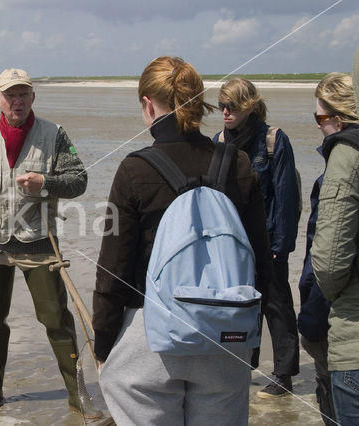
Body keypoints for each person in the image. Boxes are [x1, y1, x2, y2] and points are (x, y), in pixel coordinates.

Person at [93, 56, 272, 425]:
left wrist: (104, 344)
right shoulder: (238, 164)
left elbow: (113, 270)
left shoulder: (135, 168)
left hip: (153, 337)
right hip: (227, 333)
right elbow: (260, 265)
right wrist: (249, 342)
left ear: (147, 104)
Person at [0, 68, 100, 418]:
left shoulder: (54, 134)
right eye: (10, 95)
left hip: (38, 242)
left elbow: (79, 180)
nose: (17, 101)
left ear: (33, 98)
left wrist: (45, 183)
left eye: (23, 94)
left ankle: (78, 394)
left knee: (56, 320)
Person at [214, 78, 301, 398]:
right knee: (237, 306)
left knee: (277, 306)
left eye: (231, 106)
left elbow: (286, 196)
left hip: (268, 240)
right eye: (221, 105)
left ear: (249, 106)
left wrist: (281, 245)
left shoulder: (274, 140)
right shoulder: (218, 141)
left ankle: (284, 374)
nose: (224, 112)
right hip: (232, 243)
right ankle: (242, 364)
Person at [299, 72, 357, 426]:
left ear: (337, 118)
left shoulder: (345, 158)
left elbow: (330, 262)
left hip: (347, 330)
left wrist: (325, 297)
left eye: (320, 118)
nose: (319, 126)